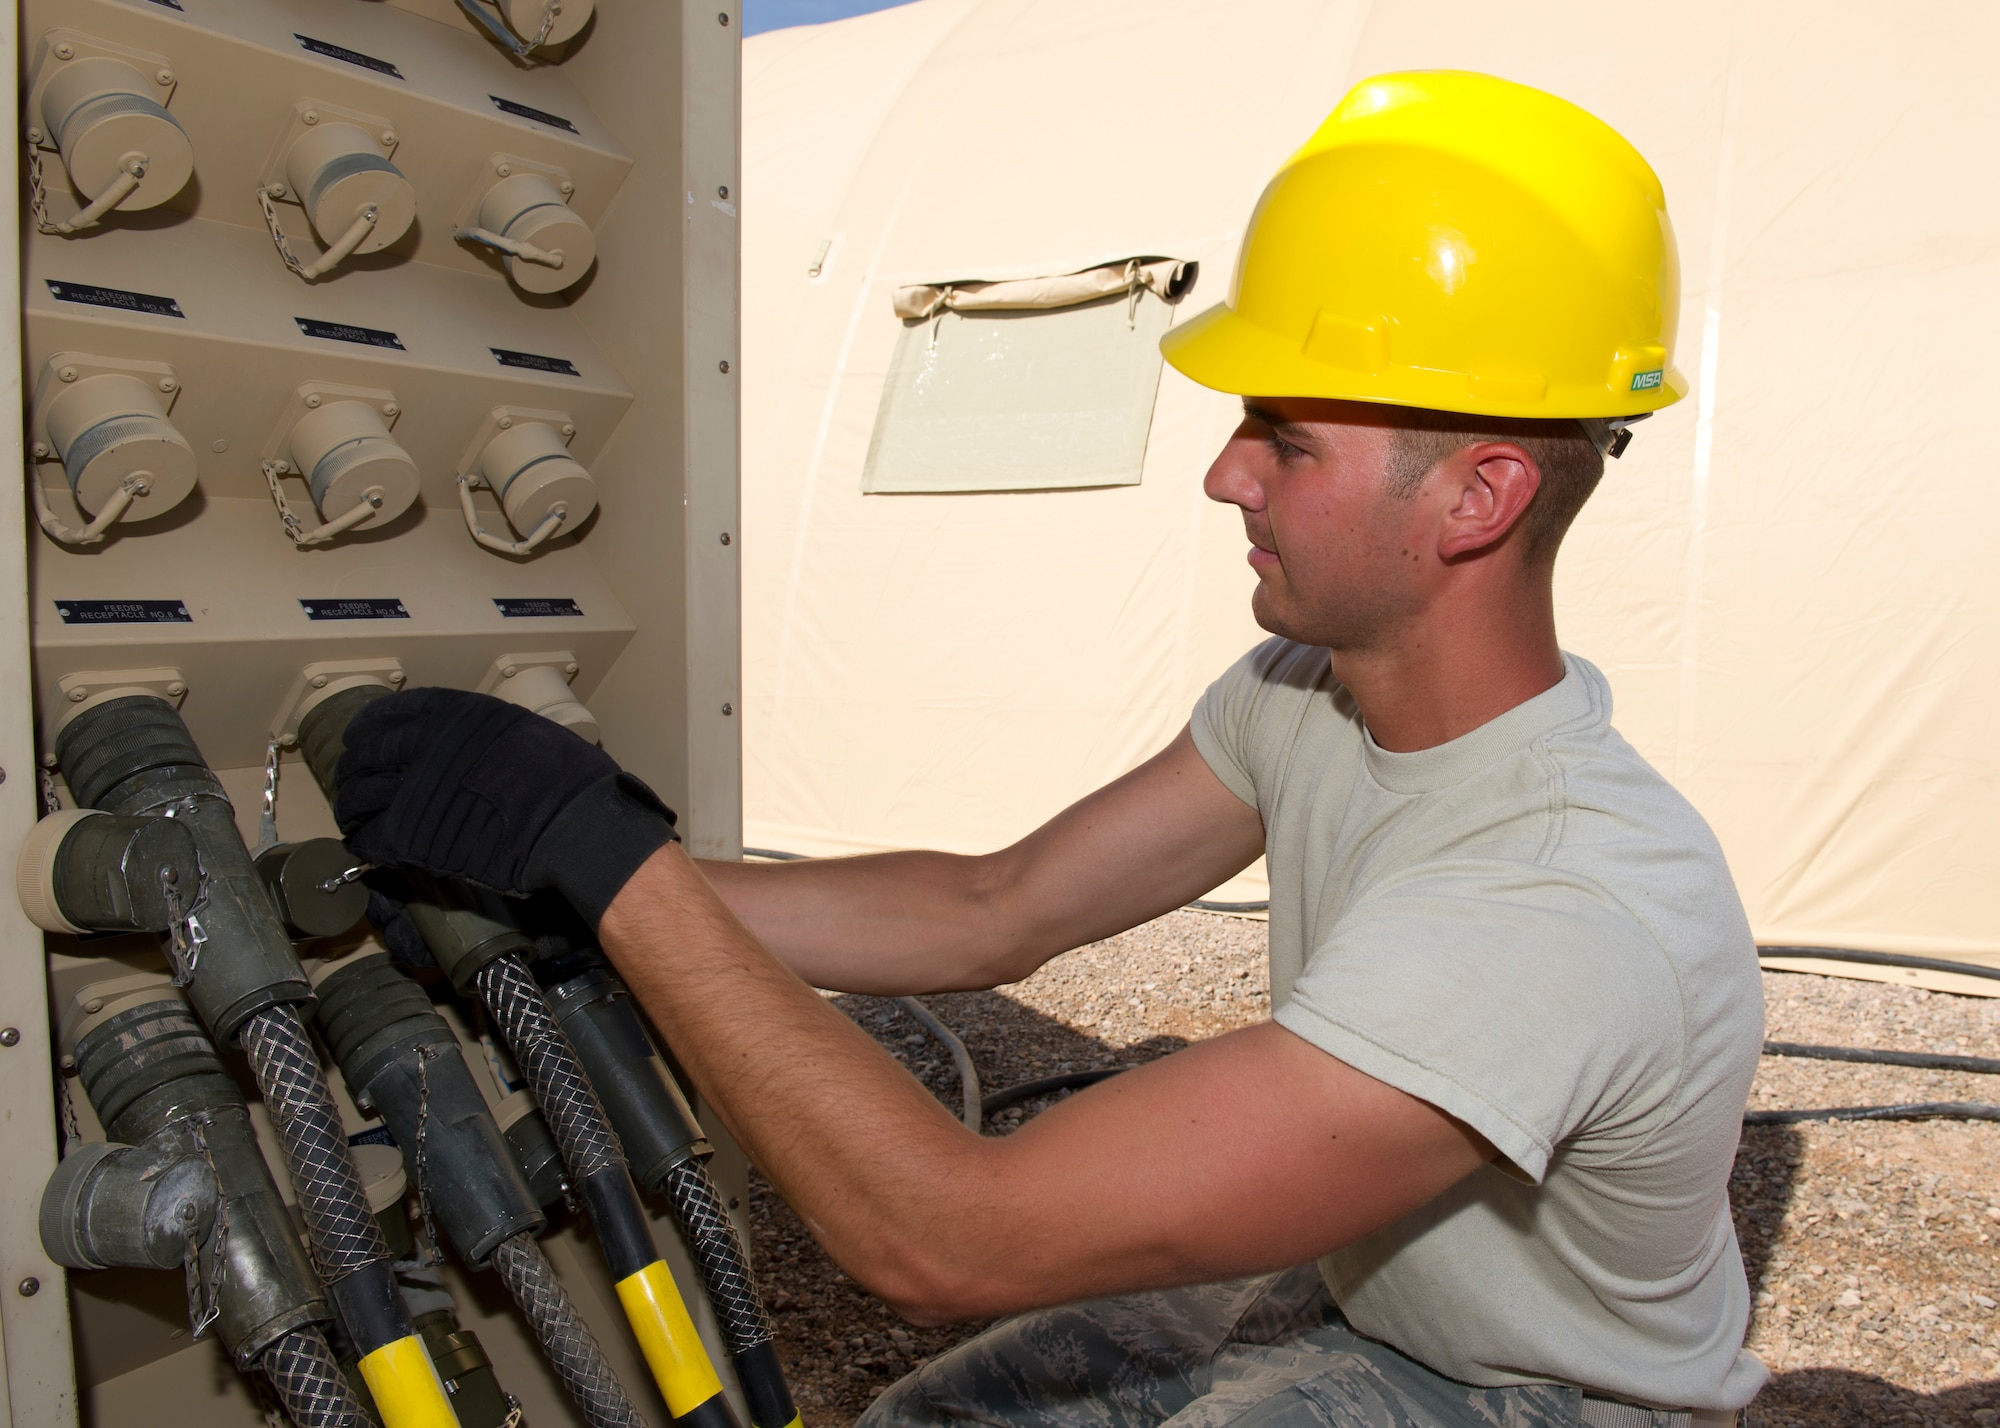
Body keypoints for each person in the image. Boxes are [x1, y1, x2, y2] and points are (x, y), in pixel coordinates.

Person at [333, 71, 1765, 1428]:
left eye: (1284, 438)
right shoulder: (1305, 692)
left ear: (1478, 498)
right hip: (1370, 1305)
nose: (1223, 473)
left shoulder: (1558, 905)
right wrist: (577, 880)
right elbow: (992, 907)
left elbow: (954, 1233)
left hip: (1548, 1397)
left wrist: (610, 862)